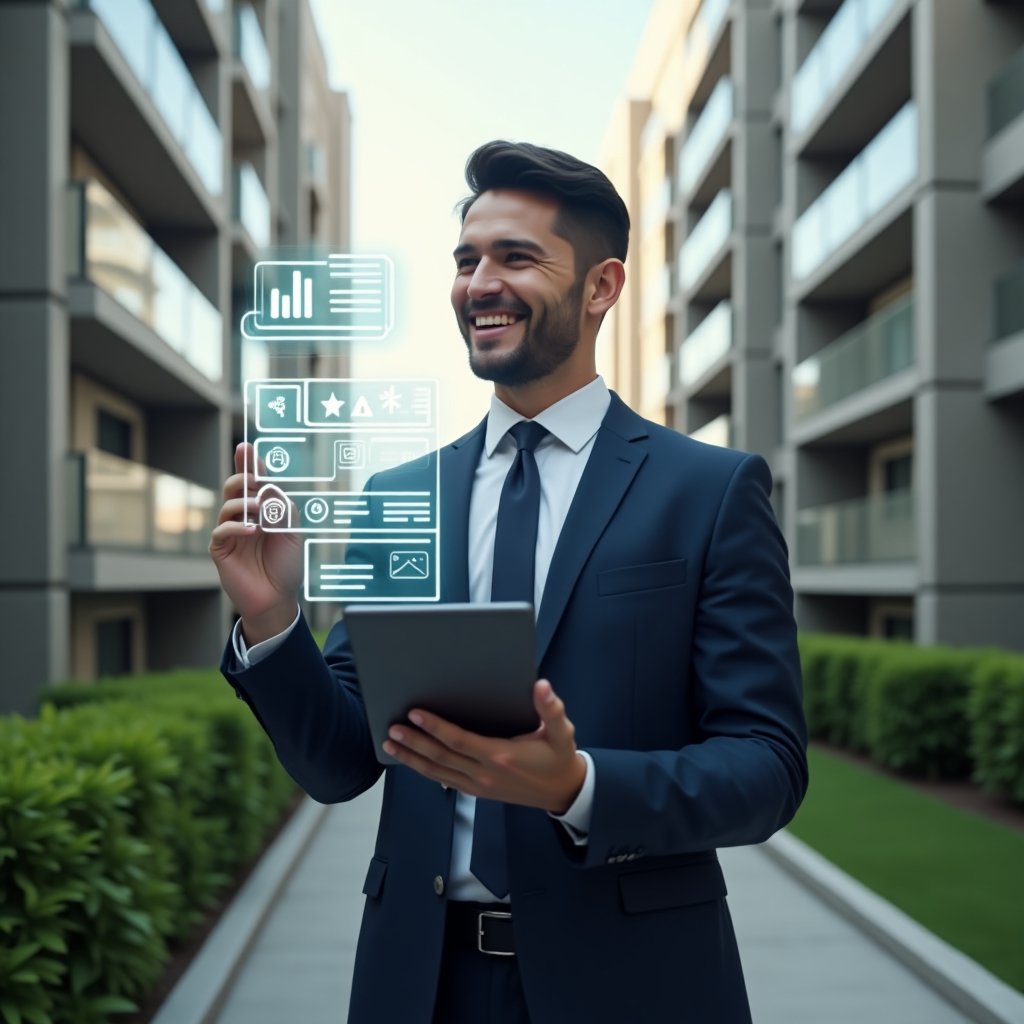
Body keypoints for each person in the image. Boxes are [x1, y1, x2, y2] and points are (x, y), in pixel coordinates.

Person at [210, 140, 808, 1024]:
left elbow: (767, 765)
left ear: (602, 287)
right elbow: (341, 762)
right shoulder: (399, 498)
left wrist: (577, 787)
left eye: (516, 257)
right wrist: (272, 620)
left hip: (638, 985)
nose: (478, 283)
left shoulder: (710, 492)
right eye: (466, 260)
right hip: (420, 986)